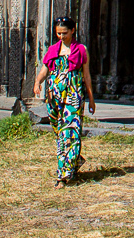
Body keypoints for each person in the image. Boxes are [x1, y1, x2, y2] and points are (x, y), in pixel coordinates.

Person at [31, 16, 93, 186]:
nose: (61, 36)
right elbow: (45, 69)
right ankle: (74, 160)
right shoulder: (53, 50)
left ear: (73, 30)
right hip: (54, 97)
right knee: (60, 133)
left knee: (69, 133)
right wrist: (37, 83)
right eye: (58, 33)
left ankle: (63, 176)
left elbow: (86, 75)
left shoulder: (81, 50)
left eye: (64, 33)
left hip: (73, 96)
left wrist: (91, 99)